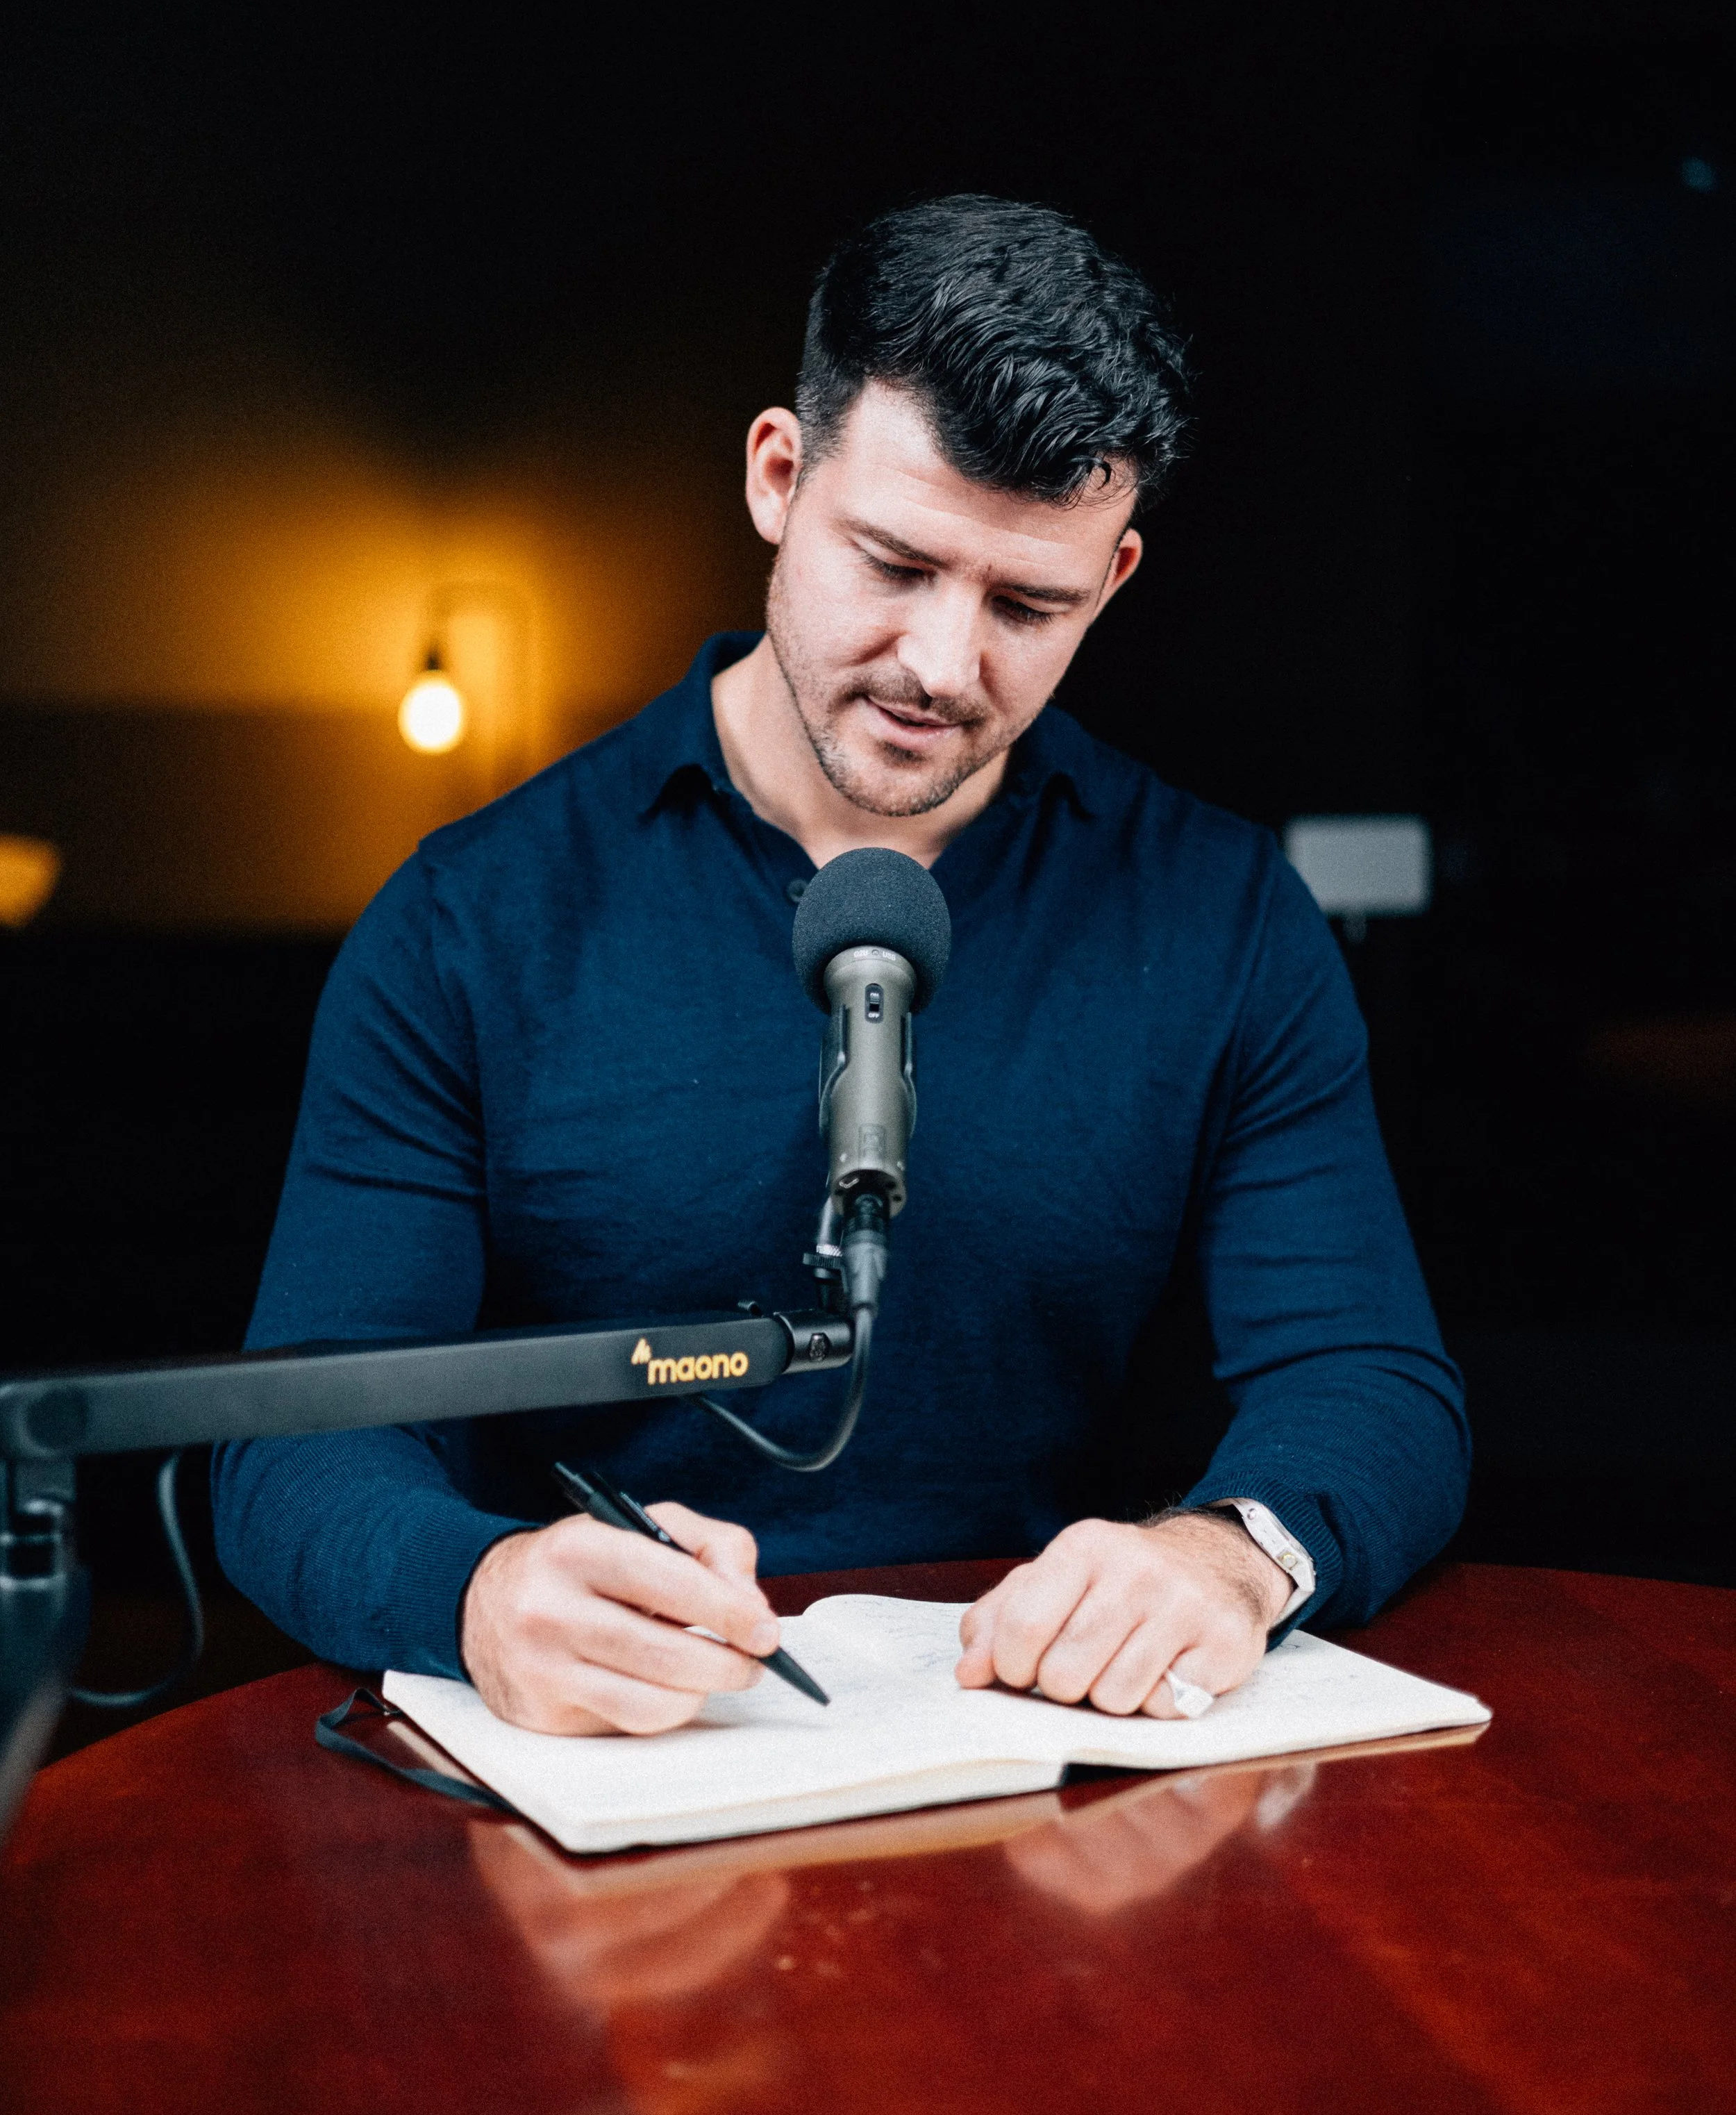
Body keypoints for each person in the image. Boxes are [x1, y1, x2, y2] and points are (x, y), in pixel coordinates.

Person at [214, 195, 1467, 1737]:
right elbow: (291, 1443)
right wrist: (474, 1590)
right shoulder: (470, 924)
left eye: (1027, 604)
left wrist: (1224, 1556)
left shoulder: (1219, 918)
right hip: (609, 1787)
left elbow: (1373, 1383)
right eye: (893, 563)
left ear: (1116, 577)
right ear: (776, 478)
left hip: (1046, 1777)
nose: (944, 667)